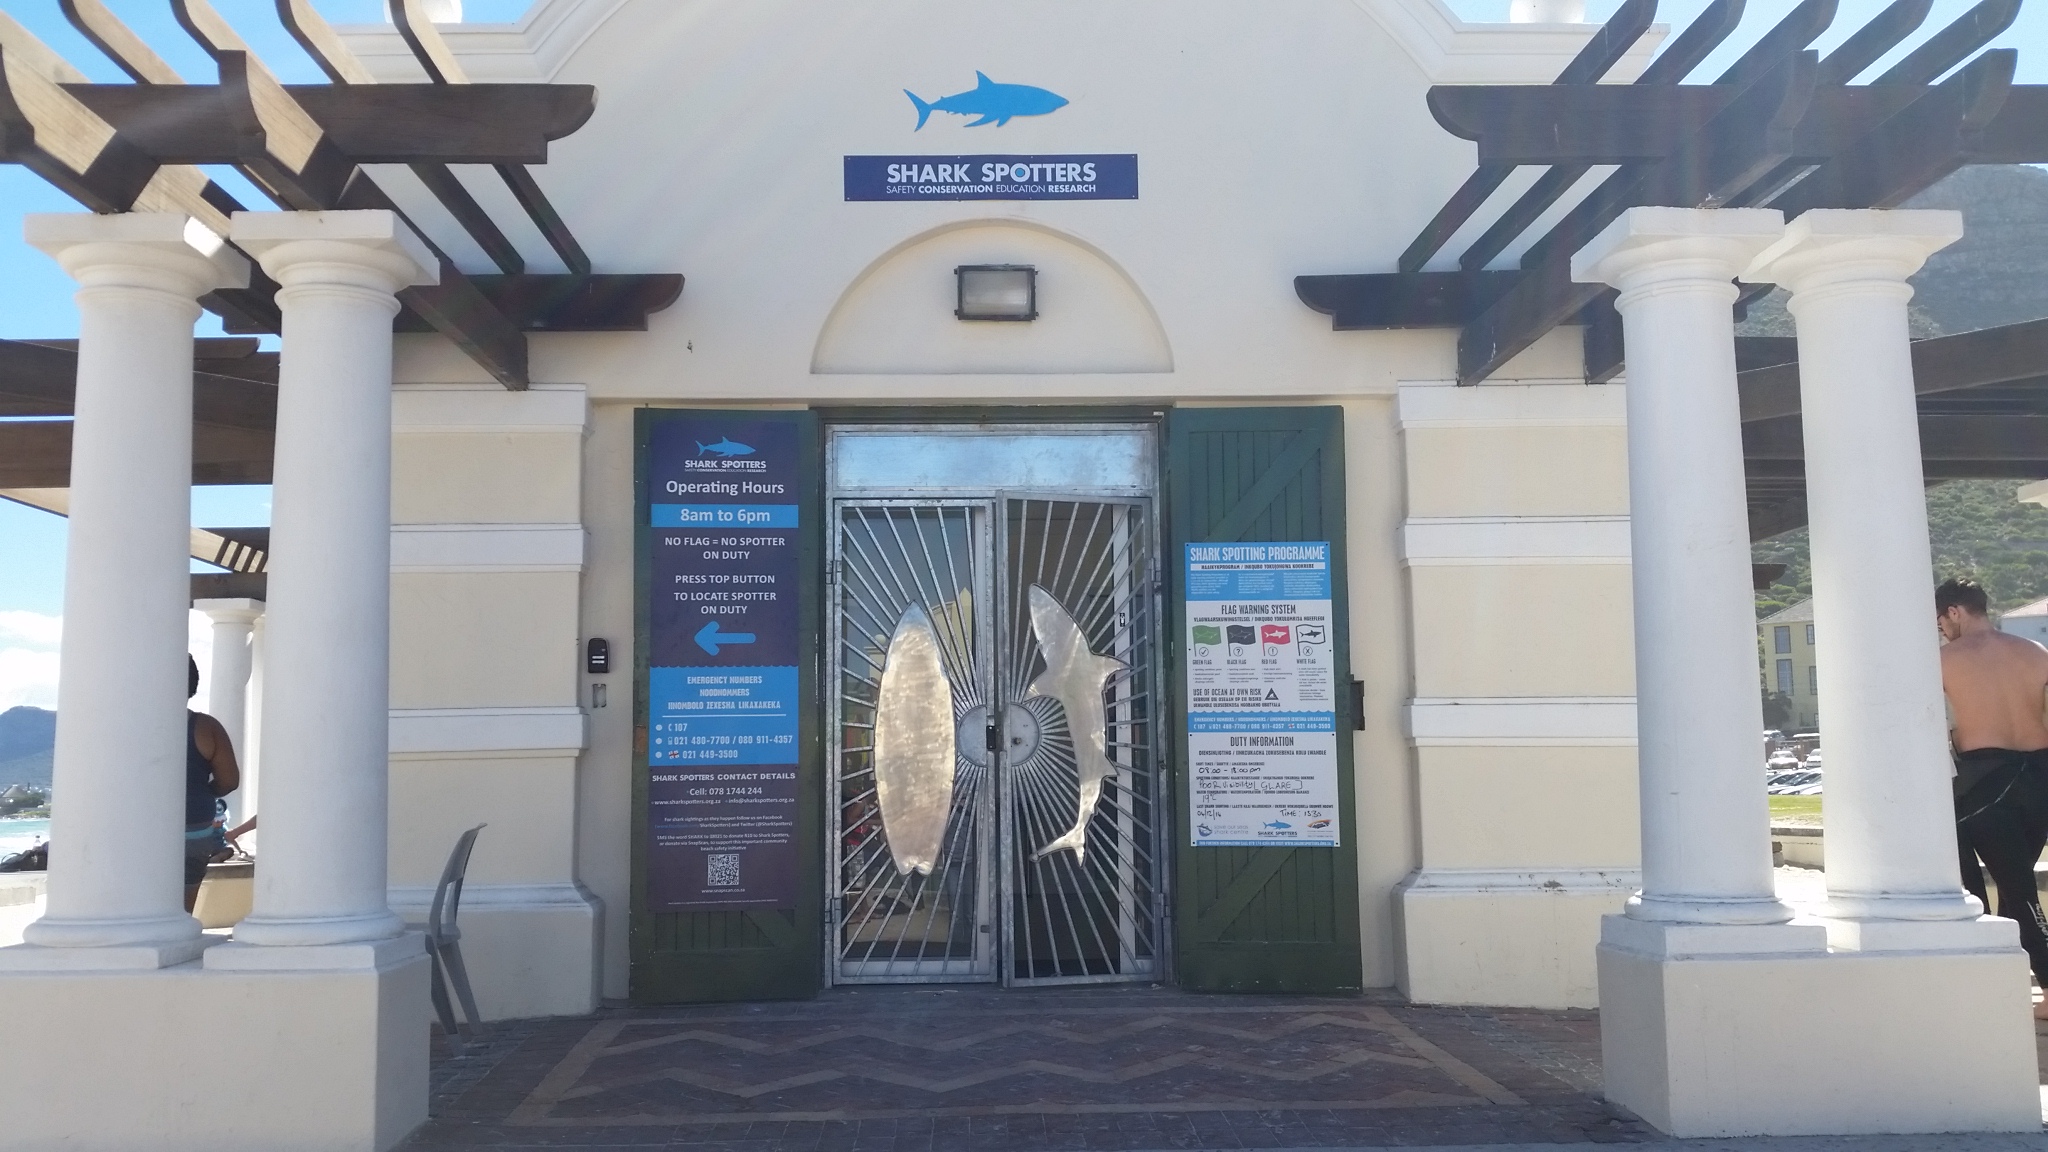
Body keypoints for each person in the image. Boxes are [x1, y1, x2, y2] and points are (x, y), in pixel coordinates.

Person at [1937, 577, 2048, 1017]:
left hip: (1988, 776)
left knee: (2012, 888)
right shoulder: (2034, 653)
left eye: (1941, 621)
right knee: (2014, 882)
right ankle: (2009, 971)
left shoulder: (1944, 659)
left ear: (1954, 612)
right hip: (2040, 775)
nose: (1942, 630)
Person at [185, 655, 240, 913]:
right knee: (182, 913)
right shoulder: (205, 727)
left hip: (138, 832)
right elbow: (229, 781)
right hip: (193, 830)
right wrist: (204, 793)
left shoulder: (129, 726)